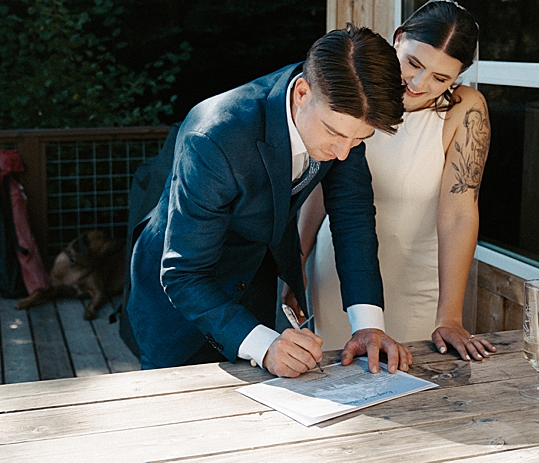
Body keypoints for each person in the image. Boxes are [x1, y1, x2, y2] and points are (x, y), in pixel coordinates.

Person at [125, 25, 415, 378]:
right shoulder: (214, 137)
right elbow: (183, 273)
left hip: (253, 276)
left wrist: (368, 324)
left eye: (359, 139)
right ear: (303, 93)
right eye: (335, 134)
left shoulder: (344, 111)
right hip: (178, 293)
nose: (343, 154)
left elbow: (352, 216)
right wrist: (264, 345)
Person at [298, 0, 496, 362]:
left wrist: (449, 315)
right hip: (340, 270)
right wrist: (297, 259)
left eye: (441, 78)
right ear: (398, 39)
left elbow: (458, 213)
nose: (419, 84)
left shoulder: (465, 110)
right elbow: (322, 185)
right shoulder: (359, 84)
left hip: (417, 278)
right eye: (414, 63)